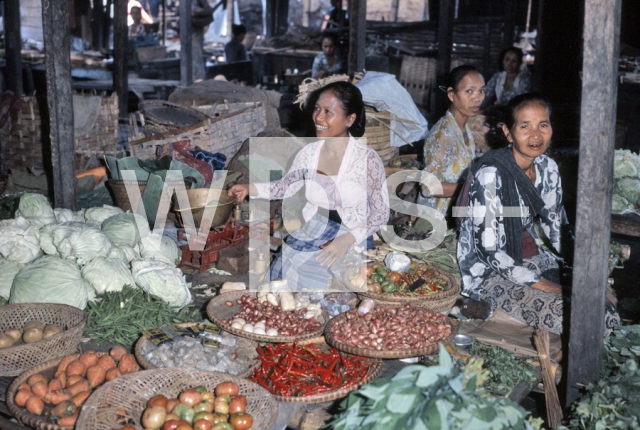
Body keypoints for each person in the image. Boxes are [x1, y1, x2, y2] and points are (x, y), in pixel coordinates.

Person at [456, 93, 620, 335]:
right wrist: (550, 287)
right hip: (490, 271)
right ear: (508, 133)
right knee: (580, 318)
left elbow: (558, 229)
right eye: (525, 126)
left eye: (543, 125)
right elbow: (488, 250)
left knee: (604, 304)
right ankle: (486, 307)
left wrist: (585, 276)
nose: (536, 135)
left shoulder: (548, 168)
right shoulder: (490, 174)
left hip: (534, 259)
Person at [227, 81, 389, 290]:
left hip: (351, 234)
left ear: (350, 119)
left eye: (328, 112)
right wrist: (250, 189)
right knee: (277, 282)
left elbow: (381, 213)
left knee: (320, 291)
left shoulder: (367, 160)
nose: (319, 117)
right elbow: (286, 187)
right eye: (317, 109)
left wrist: (346, 240)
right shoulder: (309, 155)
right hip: (314, 227)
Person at [418, 65, 486, 218]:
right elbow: (428, 187)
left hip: (457, 211)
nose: (477, 98)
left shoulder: (463, 128)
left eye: (481, 91)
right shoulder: (443, 134)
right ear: (451, 94)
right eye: (469, 91)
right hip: (437, 220)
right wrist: (470, 190)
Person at [481, 47, 531, 114]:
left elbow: (520, 103)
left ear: (520, 63)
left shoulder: (525, 79)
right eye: (507, 60)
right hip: (497, 113)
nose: (509, 64)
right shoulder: (498, 77)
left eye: (514, 61)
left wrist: (495, 107)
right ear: (503, 61)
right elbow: (485, 96)